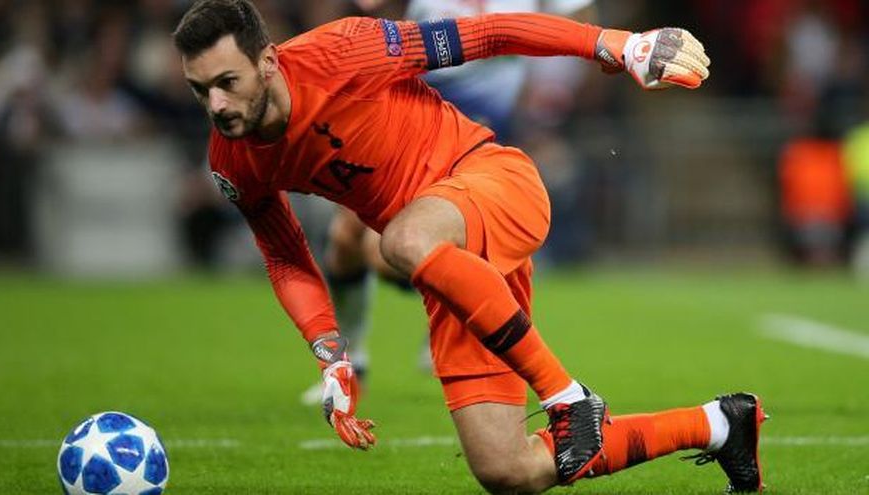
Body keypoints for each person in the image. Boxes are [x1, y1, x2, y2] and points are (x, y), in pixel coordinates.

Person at [173, 1, 766, 492]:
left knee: (401, 238)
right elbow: (284, 256)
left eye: (228, 83)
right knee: (507, 470)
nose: (217, 106)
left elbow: (491, 33)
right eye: (201, 91)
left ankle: (567, 396)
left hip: (491, 182)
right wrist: (330, 354)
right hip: (450, 266)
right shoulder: (232, 160)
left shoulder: (345, 50)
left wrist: (616, 44)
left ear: (268, 62)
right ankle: (719, 425)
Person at [297, 0, 598, 407]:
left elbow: (580, 18)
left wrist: (547, 96)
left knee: (396, 248)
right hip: (408, 121)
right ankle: (350, 367)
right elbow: (369, 18)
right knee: (347, 239)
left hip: (480, 133)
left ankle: (451, 312)